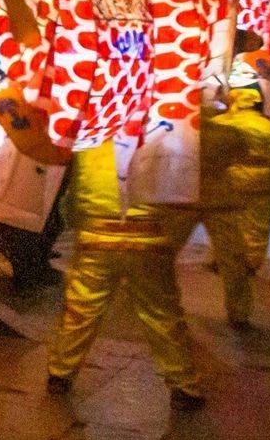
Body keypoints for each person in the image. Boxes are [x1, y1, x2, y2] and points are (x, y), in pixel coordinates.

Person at [46, 140, 204, 410]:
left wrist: (82, 222)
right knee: (162, 313)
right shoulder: (164, 136)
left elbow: (72, 204)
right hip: (148, 238)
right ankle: (184, 383)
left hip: (97, 239)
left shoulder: (90, 140)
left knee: (81, 309)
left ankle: (60, 373)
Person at [159, 87, 270, 327]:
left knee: (162, 253)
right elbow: (260, 157)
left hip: (184, 199)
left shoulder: (179, 132)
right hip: (221, 201)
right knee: (234, 260)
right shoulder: (229, 132)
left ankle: (157, 302)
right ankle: (239, 312)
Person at [0, 138, 67, 295]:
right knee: (20, 229)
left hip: (52, 170)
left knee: (50, 224)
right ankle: (24, 277)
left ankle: (39, 267)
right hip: (20, 175)